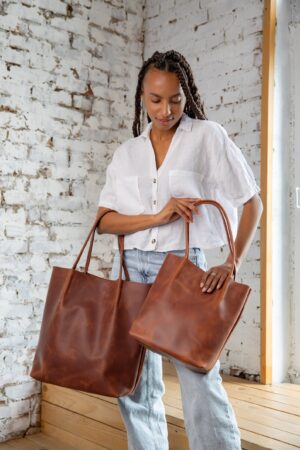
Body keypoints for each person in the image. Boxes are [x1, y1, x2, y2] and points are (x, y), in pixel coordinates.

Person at [96, 50, 263, 450]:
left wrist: (232, 261)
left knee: (199, 379)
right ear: (142, 96)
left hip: (184, 269)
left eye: (175, 98)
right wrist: (157, 217)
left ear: (186, 94)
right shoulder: (127, 154)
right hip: (132, 269)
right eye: (156, 99)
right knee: (134, 385)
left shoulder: (207, 137)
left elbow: (252, 202)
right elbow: (104, 221)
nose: (166, 109)